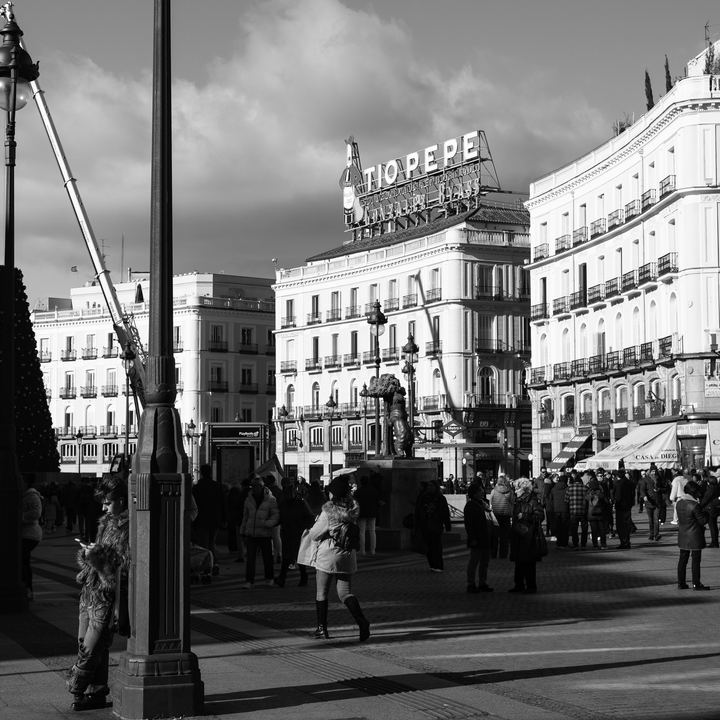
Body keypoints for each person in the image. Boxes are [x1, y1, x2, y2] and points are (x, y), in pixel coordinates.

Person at [66, 477, 130, 712]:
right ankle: (97, 691)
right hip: (89, 592)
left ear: (121, 501)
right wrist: (87, 554)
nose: (103, 507)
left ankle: (75, 686)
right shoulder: (105, 521)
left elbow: (123, 567)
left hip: (106, 595)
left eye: (107, 502)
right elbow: (99, 555)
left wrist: (99, 557)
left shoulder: (130, 526)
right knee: (87, 645)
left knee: (91, 648)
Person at [306, 476, 370, 641]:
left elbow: (314, 534)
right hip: (347, 554)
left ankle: (322, 629)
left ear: (332, 494)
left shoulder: (328, 511)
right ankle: (361, 620)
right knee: (345, 593)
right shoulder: (352, 509)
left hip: (328, 555)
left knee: (322, 592)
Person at [240, 477, 279, 588]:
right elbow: (246, 516)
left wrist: (268, 523)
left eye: (255, 486)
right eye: (252, 486)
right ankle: (249, 581)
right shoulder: (249, 499)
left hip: (265, 533)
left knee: (267, 557)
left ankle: (269, 578)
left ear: (261, 487)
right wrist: (243, 530)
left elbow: (276, 515)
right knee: (250, 558)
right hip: (251, 533)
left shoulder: (271, 499)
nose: (253, 488)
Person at [274, 478, 314, 587]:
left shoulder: (301, 503)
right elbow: (280, 517)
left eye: (291, 493)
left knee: (299, 557)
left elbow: (310, 517)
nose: (289, 495)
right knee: (286, 557)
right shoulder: (283, 504)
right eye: (287, 493)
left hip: (298, 535)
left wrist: (302, 529)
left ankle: (303, 577)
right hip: (287, 534)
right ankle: (282, 578)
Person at [508, 478, 545, 593]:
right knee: (518, 561)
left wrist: (525, 516)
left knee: (528, 562)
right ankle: (519, 584)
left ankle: (531, 586)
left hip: (528, 535)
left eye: (517, 488)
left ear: (524, 489)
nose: (515, 491)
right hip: (518, 534)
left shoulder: (532, 500)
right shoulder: (517, 501)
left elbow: (540, 516)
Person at [191, 465, 227, 574]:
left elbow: (193, 505)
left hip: (201, 519)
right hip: (215, 519)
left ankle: (206, 565)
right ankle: (215, 562)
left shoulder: (197, 488)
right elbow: (223, 503)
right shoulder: (218, 486)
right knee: (212, 541)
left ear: (201, 473)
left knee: (203, 543)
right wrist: (224, 519)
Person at [676, 479, 710, 590]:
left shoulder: (679, 503)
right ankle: (696, 583)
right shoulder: (695, 505)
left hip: (683, 534)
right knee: (696, 560)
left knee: (683, 559)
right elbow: (702, 520)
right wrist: (706, 512)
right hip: (694, 535)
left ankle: (681, 583)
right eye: (697, 492)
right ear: (693, 492)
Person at [415, 479, 451, 572]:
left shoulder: (440, 498)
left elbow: (445, 512)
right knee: (428, 545)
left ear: (436, 487)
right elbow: (418, 510)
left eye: (432, 486)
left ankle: (438, 565)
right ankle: (432, 564)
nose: (430, 487)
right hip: (425, 523)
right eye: (429, 486)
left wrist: (447, 525)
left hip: (435, 523)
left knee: (436, 545)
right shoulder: (424, 497)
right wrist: (417, 523)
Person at [464, 482, 493, 593]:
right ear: (474, 494)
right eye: (480, 491)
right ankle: (471, 583)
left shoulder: (484, 504)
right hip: (478, 537)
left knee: (485, 562)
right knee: (474, 561)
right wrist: (473, 538)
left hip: (486, 537)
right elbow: (469, 524)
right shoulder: (471, 505)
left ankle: (482, 582)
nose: (482, 492)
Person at [21, 475, 43, 601]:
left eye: (21, 479)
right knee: (25, 562)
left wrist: (19, 516)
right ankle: (29, 590)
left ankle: (27, 589)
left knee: (18, 561)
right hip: (26, 533)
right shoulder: (25, 495)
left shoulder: (32, 496)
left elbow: (36, 513)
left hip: (30, 534)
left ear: (26, 482)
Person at [489, 475, 514, 559]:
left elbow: (491, 502)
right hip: (506, 515)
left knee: (495, 535)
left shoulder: (493, 491)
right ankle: (503, 554)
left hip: (496, 514)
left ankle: (493, 553)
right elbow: (512, 502)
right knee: (504, 536)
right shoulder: (510, 491)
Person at [354, 476, 380, 555]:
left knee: (362, 532)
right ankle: (373, 550)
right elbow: (377, 501)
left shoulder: (359, 491)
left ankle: (362, 550)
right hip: (372, 513)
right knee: (372, 531)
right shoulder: (374, 490)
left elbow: (355, 503)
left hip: (362, 514)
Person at [638, 469, 664, 541]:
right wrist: (644, 496)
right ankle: (651, 534)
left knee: (656, 519)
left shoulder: (659, 478)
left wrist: (659, 489)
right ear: (649, 472)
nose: (654, 472)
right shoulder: (645, 479)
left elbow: (665, 488)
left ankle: (656, 534)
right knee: (651, 520)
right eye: (652, 471)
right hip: (649, 501)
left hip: (657, 502)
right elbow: (642, 489)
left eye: (655, 471)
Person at [565, 474, 589, 550]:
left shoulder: (569, 488)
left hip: (573, 511)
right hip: (583, 511)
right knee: (584, 529)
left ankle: (575, 544)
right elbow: (589, 499)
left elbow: (566, 500)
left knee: (574, 529)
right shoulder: (586, 488)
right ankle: (583, 544)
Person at [614, 470, 635, 549]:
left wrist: (615, 502)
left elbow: (618, 497)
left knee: (621, 525)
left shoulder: (620, 484)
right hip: (628, 506)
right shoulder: (629, 483)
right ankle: (627, 541)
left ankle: (624, 542)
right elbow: (633, 494)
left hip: (621, 507)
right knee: (626, 524)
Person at [264, 475, 284, 563]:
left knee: (269, 537)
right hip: (277, 517)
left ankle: (271, 554)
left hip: (267, 516)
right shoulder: (279, 492)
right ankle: (279, 554)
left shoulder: (265, 492)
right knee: (276, 537)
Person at [586, 477, 609, 550]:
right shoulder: (601, 494)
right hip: (600, 514)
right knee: (602, 530)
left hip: (591, 514)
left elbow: (585, 503)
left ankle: (595, 545)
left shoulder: (588, 494)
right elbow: (607, 503)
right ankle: (603, 544)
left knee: (594, 530)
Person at [549, 472, 570, 549]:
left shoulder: (554, 489)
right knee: (565, 527)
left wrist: (554, 505)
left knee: (558, 527)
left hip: (556, 510)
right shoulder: (567, 488)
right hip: (565, 509)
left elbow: (550, 499)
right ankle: (564, 543)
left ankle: (559, 543)